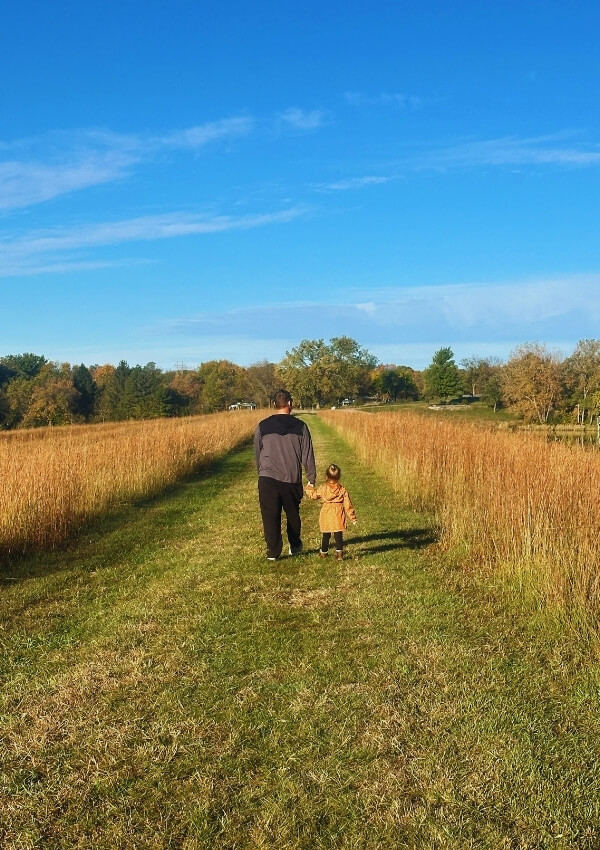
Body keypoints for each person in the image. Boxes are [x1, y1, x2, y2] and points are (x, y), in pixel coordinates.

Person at [254, 389, 317, 561]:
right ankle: (295, 544)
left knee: (269, 515)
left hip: (267, 478)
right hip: (291, 478)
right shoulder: (301, 426)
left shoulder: (262, 426)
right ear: (290, 403)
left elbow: (257, 452)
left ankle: (273, 552)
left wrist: (260, 473)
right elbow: (307, 454)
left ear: (275, 404)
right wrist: (311, 479)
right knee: (293, 514)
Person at [306, 463, 357, 560]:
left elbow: (314, 495)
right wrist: (352, 517)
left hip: (326, 512)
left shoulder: (323, 488)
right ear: (339, 477)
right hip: (338, 513)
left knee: (326, 534)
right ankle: (339, 555)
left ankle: (324, 552)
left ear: (326, 476)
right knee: (338, 535)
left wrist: (309, 488)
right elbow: (348, 505)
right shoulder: (342, 490)